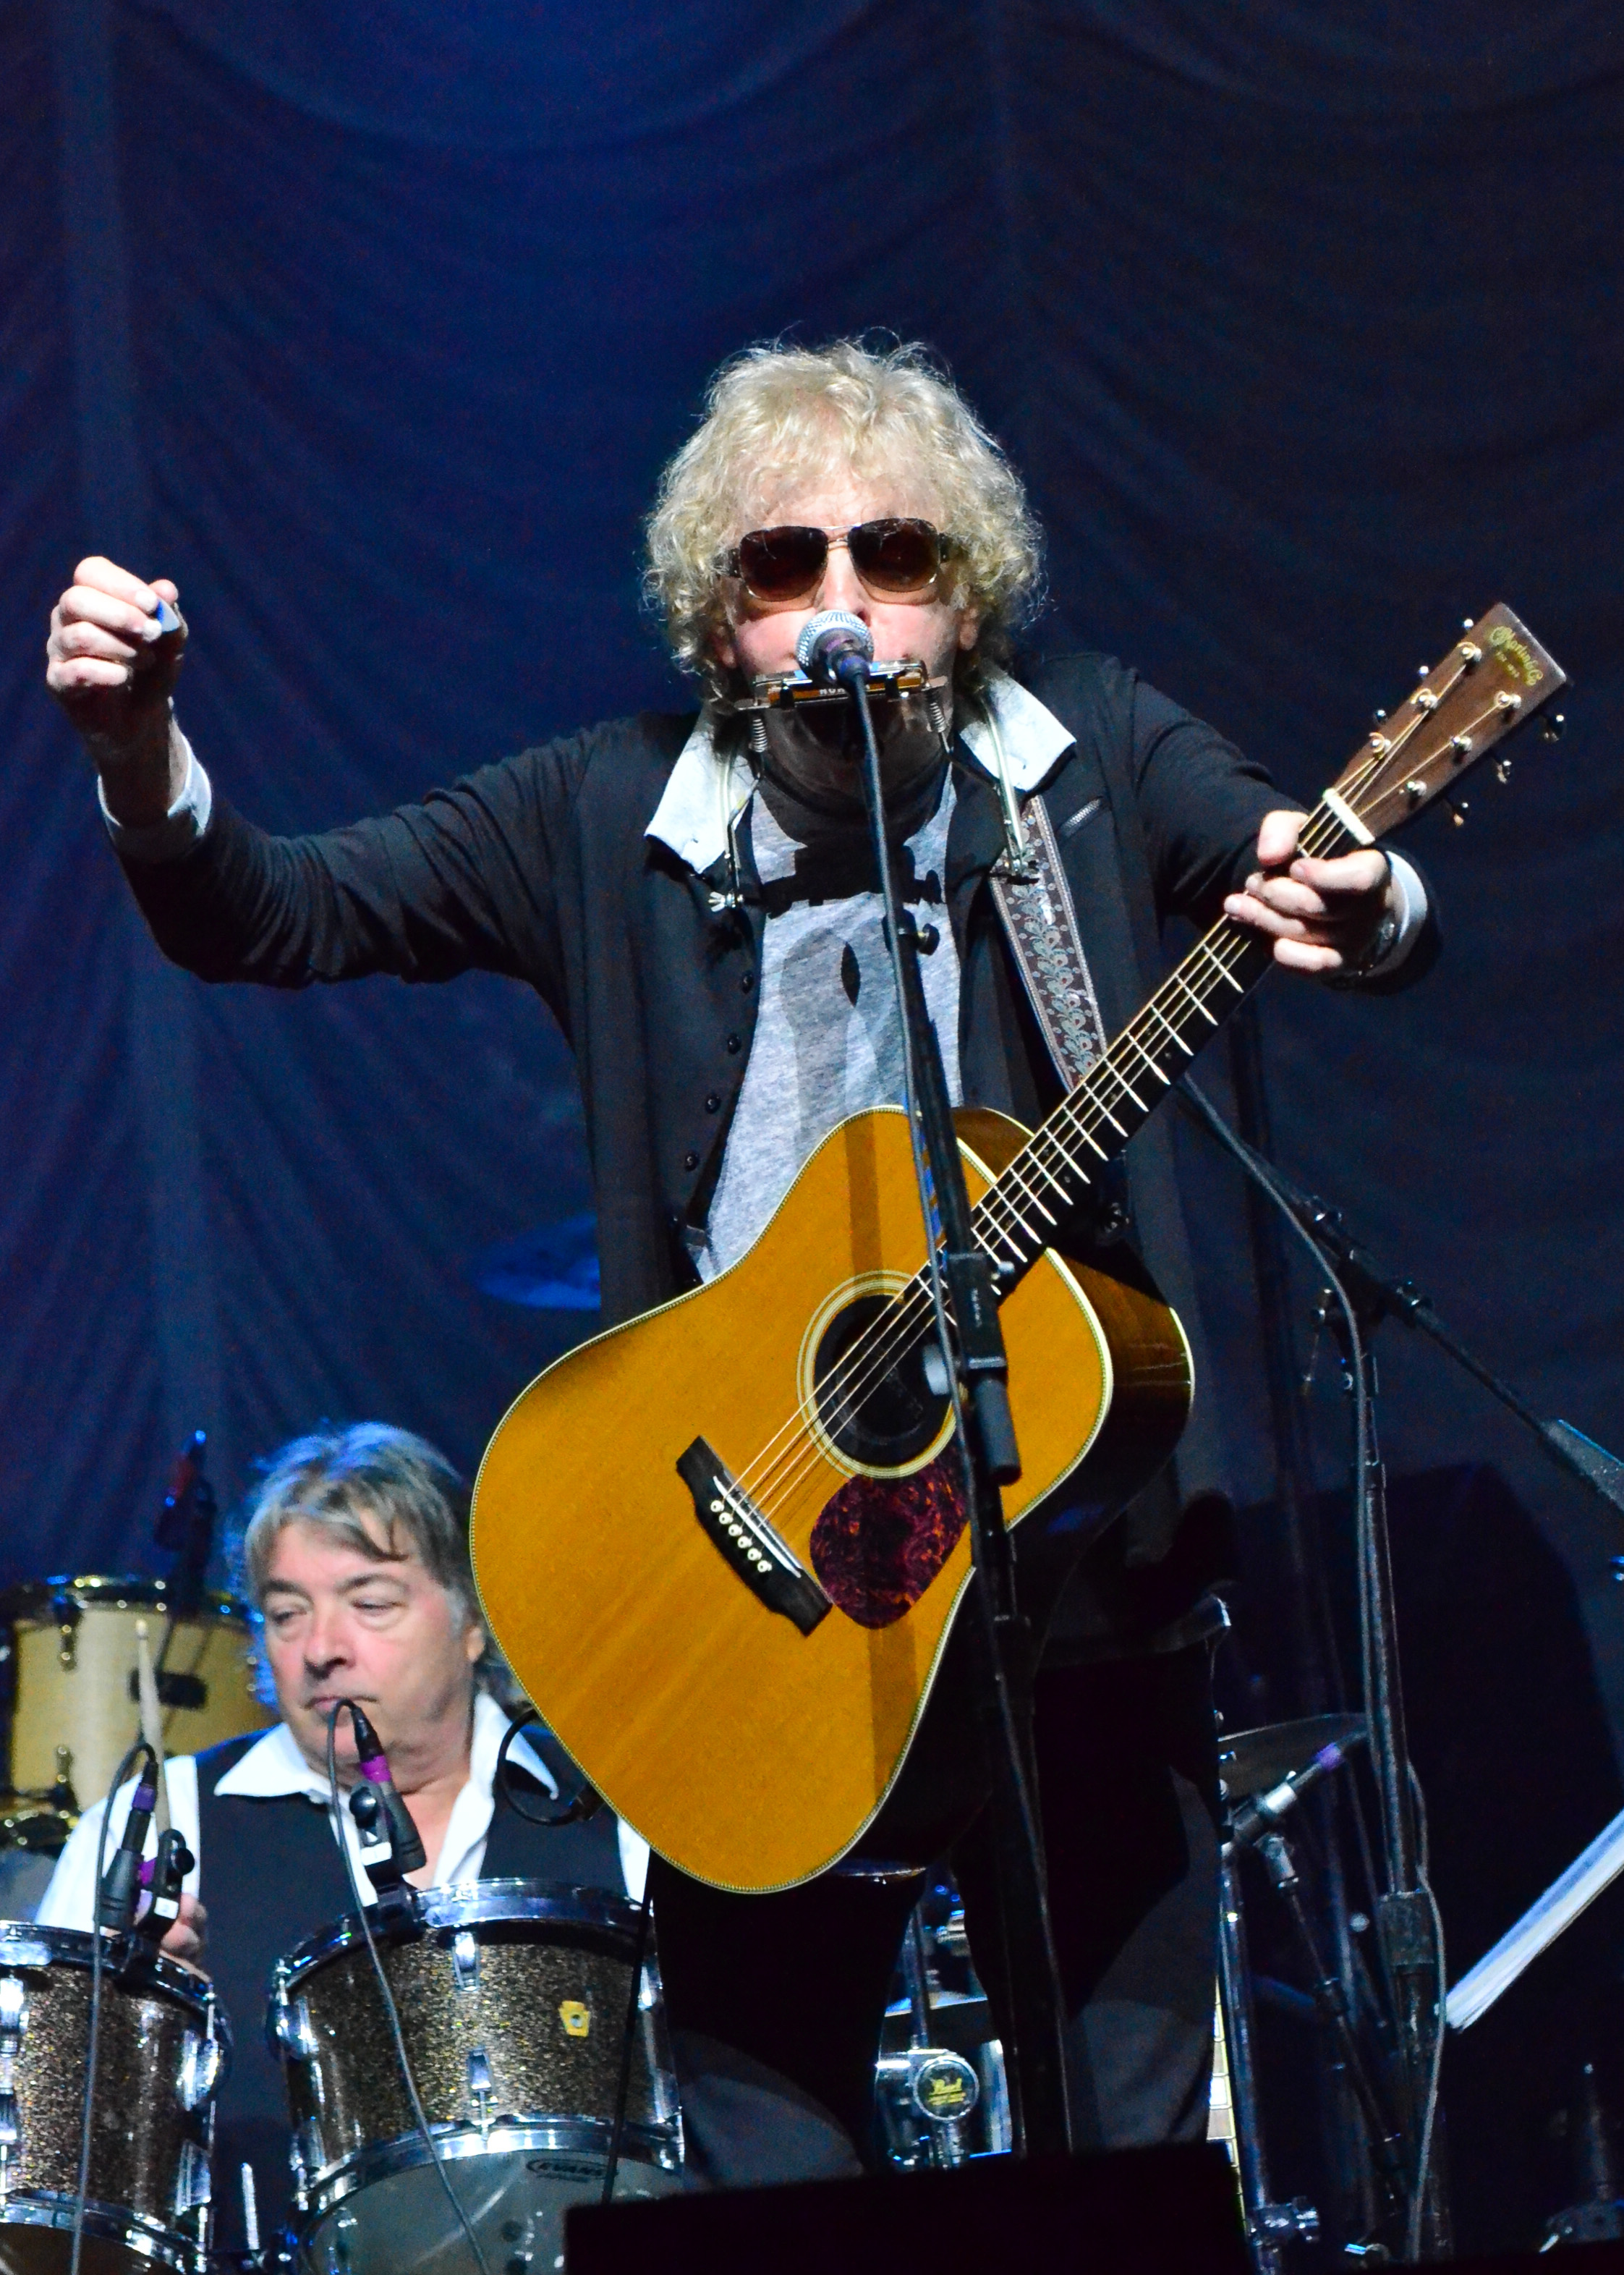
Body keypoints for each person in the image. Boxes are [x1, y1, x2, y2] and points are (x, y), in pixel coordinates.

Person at [45, 339, 1434, 2185]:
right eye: (785, 569)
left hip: (1073, 1616)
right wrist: (140, 757)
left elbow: (1286, 850)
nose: (842, 609)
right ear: (717, 619)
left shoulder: (1082, 754)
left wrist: (1369, 892)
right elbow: (278, 914)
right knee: (765, 2156)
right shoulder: (596, 814)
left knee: (1118, 2172)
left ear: (969, 598)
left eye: (894, 559)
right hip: (757, 1613)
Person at [39, 1421, 645, 2249]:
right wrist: (126, 2036)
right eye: (286, 1615)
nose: (320, 1649)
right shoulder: (160, 1819)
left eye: (370, 1603)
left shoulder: (621, 1816)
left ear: (474, 1619)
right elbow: (46, 2170)